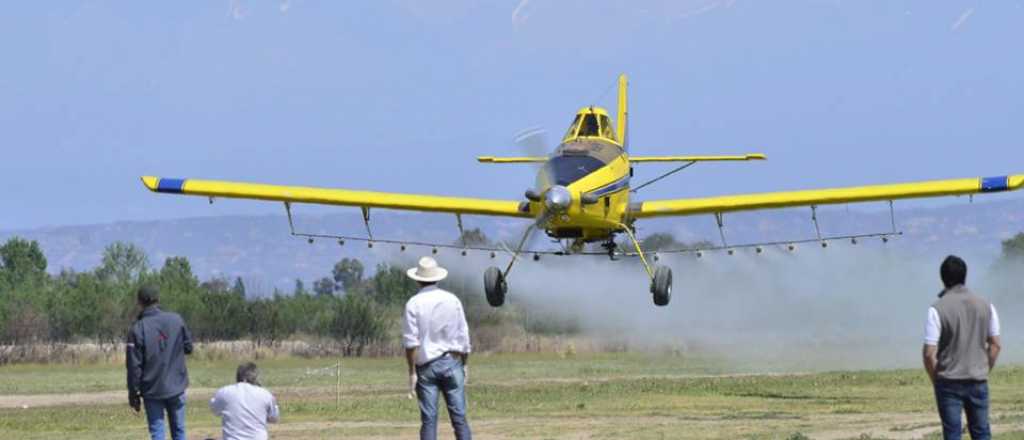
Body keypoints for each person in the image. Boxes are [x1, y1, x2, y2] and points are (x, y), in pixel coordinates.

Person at [923, 255, 1002, 440]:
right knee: (982, 432)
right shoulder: (987, 305)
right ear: (965, 276)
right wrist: (983, 369)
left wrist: (937, 379)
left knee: (952, 434)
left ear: (943, 278)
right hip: (978, 380)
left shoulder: (936, 309)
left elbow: (928, 353)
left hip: (948, 381)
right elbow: (996, 345)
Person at [402, 256, 473, 440]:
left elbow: (411, 343)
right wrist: (465, 363)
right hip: (452, 362)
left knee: (429, 420)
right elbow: (463, 334)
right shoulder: (452, 300)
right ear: (438, 277)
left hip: (426, 367)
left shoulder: (413, 303)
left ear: (418, 279)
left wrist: (411, 372)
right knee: (459, 418)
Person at [126, 285, 194, 440]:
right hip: (177, 386)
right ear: (158, 300)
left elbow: (133, 366)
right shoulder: (176, 319)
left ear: (139, 302)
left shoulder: (137, 328)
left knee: (157, 433)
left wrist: (133, 394)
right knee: (179, 431)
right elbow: (189, 347)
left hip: (152, 389)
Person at [209, 362, 281, 440]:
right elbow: (274, 418)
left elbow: (214, 410)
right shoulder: (265, 394)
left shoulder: (225, 392)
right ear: (255, 377)